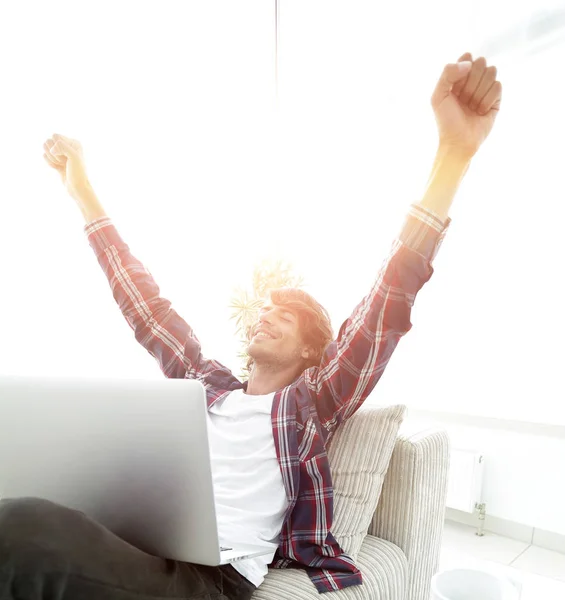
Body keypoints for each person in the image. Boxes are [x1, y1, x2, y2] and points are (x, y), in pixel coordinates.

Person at [0, 52, 502, 599]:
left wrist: (452, 155)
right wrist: (82, 191)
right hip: (138, 544)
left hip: (210, 577)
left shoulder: (312, 401)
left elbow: (388, 298)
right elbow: (144, 305)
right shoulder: (205, 385)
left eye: (284, 317)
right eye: (265, 310)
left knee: (24, 531)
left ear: (314, 351)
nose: (266, 317)